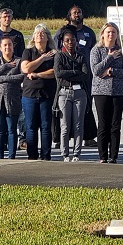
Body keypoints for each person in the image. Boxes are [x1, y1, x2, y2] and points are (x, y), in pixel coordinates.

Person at [54, 5, 97, 147]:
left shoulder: (89, 33)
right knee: (63, 112)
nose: (77, 14)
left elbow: (93, 51)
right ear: (69, 15)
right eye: (74, 13)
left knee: (86, 107)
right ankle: (61, 139)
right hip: (65, 77)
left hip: (85, 74)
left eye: (79, 12)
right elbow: (56, 51)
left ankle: (88, 136)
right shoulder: (61, 32)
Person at [90, 22, 123, 163]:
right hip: (101, 92)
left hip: (118, 92)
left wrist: (111, 71)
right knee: (103, 124)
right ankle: (102, 156)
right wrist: (110, 57)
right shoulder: (96, 50)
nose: (110, 34)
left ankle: (114, 155)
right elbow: (96, 70)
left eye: (113, 32)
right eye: (108, 32)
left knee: (115, 124)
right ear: (102, 34)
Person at [21, 23, 57, 161]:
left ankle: (46, 156)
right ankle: (32, 156)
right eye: (37, 34)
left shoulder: (54, 53)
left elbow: (54, 72)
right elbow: (26, 68)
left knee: (46, 126)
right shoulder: (28, 52)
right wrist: (42, 58)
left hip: (47, 94)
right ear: (33, 38)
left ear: (47, 37)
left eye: (42, 33)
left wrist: (37, 74)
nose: (39, 36)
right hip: (29, 95)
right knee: (31, 127)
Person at [0, 35, 25, 159]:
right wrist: (5, 67)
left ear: (13, 47)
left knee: (12, 129)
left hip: (12, 100)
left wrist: (3, 78)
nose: (7, 47)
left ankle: (12, 156)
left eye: (10, 45)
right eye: (5, 45)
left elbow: (21, 76)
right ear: (0, 48)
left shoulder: (19, 61)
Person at [54, 27, 90, 161]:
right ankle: (65, 154)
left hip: (80, 92)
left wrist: (69, 72)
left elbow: (85, 75)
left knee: (78, 125)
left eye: (73, 40)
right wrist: (76, 72)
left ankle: (76, 153)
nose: (70, 43)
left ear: (76, 41)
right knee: (65, 125)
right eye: (67, 40)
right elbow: (59, 74)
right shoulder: (60, 56)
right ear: (63, 42)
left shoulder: (81, 56)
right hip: (64, 93)